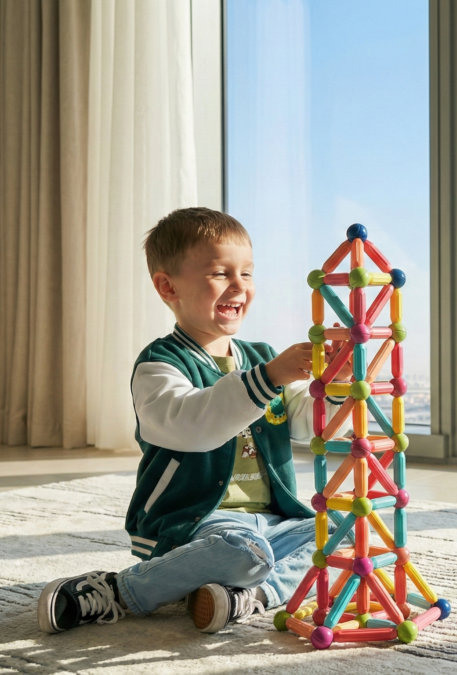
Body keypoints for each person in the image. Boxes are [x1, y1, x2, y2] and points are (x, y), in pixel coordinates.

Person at [38, 207, 348, 634]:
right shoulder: (159, 364)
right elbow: (192, 426)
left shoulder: (258, 357)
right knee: (244, 553)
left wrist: (334, 388)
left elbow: (311, 427)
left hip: (274, 521)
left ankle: (245, 597)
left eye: (248, 274)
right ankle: (122, 590)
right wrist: (271, 377)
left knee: (345, 533)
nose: (239, 286)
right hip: (199, 519)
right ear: (168, 286)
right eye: (221, 273)